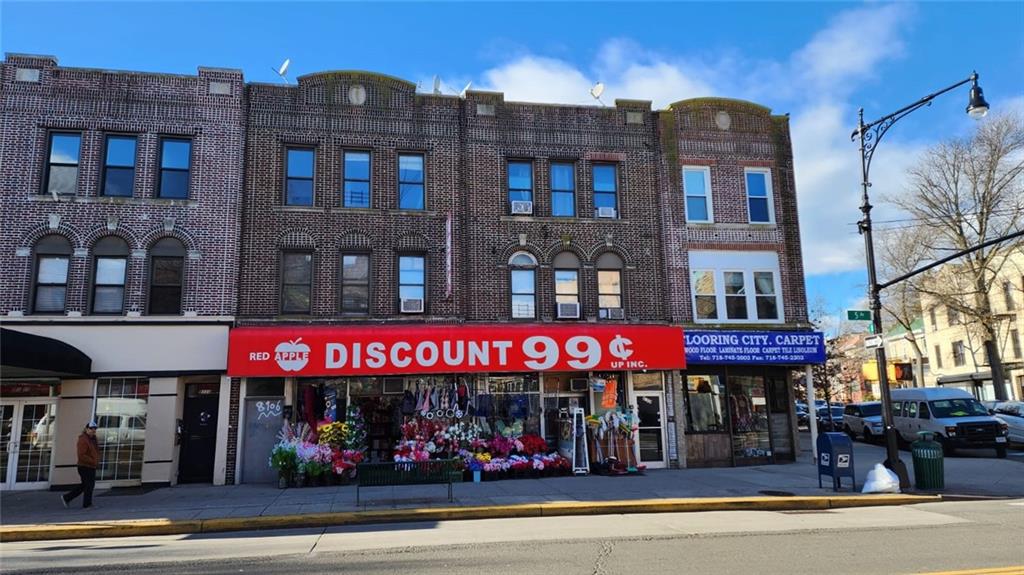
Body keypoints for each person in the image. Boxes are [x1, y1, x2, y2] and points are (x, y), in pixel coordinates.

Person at [61, 421, 99, 509]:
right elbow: (81, 455)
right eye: (91, 429)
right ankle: (87, 504)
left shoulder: (93, 439)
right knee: (88, 485)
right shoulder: (83, 439)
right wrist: (93, 461)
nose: (93, 430)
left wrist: (96, 461)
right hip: (84, 466)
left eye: (94, 429)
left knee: (85, 485)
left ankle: (67, 497)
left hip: (91, 466)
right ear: (86, 429)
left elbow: (95, 452)